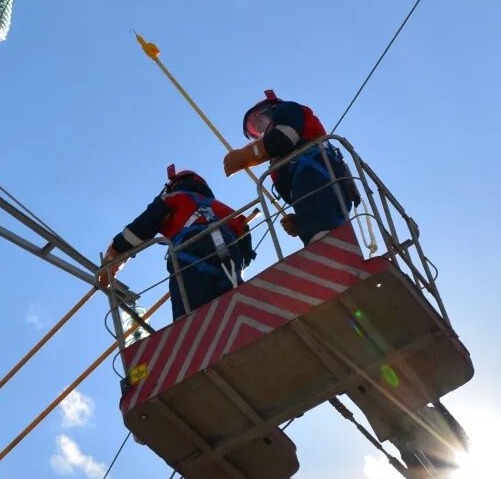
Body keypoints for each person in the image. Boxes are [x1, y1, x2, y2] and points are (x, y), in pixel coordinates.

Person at [100, 165, 256, 319]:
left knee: (192, 319)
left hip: (191, 255)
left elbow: (139, 230)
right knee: (234, 309)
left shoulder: (173, 199)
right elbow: (244, 236)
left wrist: (113, 257)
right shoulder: (220, 207)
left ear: (175, 184)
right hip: (230, 260)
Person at [222, 90, 359, 245]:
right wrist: (300, 221)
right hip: (325, 190)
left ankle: (323, 244)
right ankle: (323, 243)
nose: (261, 130)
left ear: (272, 108)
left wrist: (244, 156)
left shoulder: (288, 109)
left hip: (317, 175)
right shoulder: (282, 159)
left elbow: (283, 137)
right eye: (256, 130)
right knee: (325, 228)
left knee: (320, 230)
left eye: (260, 121)